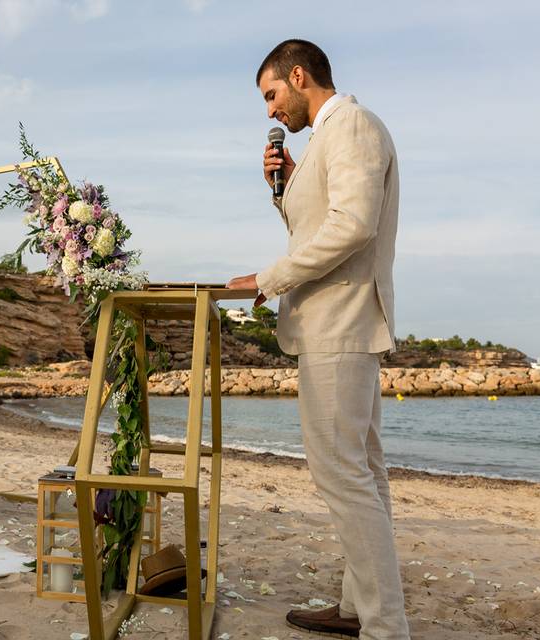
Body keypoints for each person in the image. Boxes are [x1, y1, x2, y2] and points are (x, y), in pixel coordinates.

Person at [227, 40, 409, 639]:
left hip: (338, 325)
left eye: (272, 94)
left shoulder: (351, 124)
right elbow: (316, 226)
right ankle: (359, 609)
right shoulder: (321, 144)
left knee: (343, 477)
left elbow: (353, 225)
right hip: (337, 325)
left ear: (299, 75)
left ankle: (385, 627)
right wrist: (283, 190)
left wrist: (267, 278)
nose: (271, 111)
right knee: (365, 473)